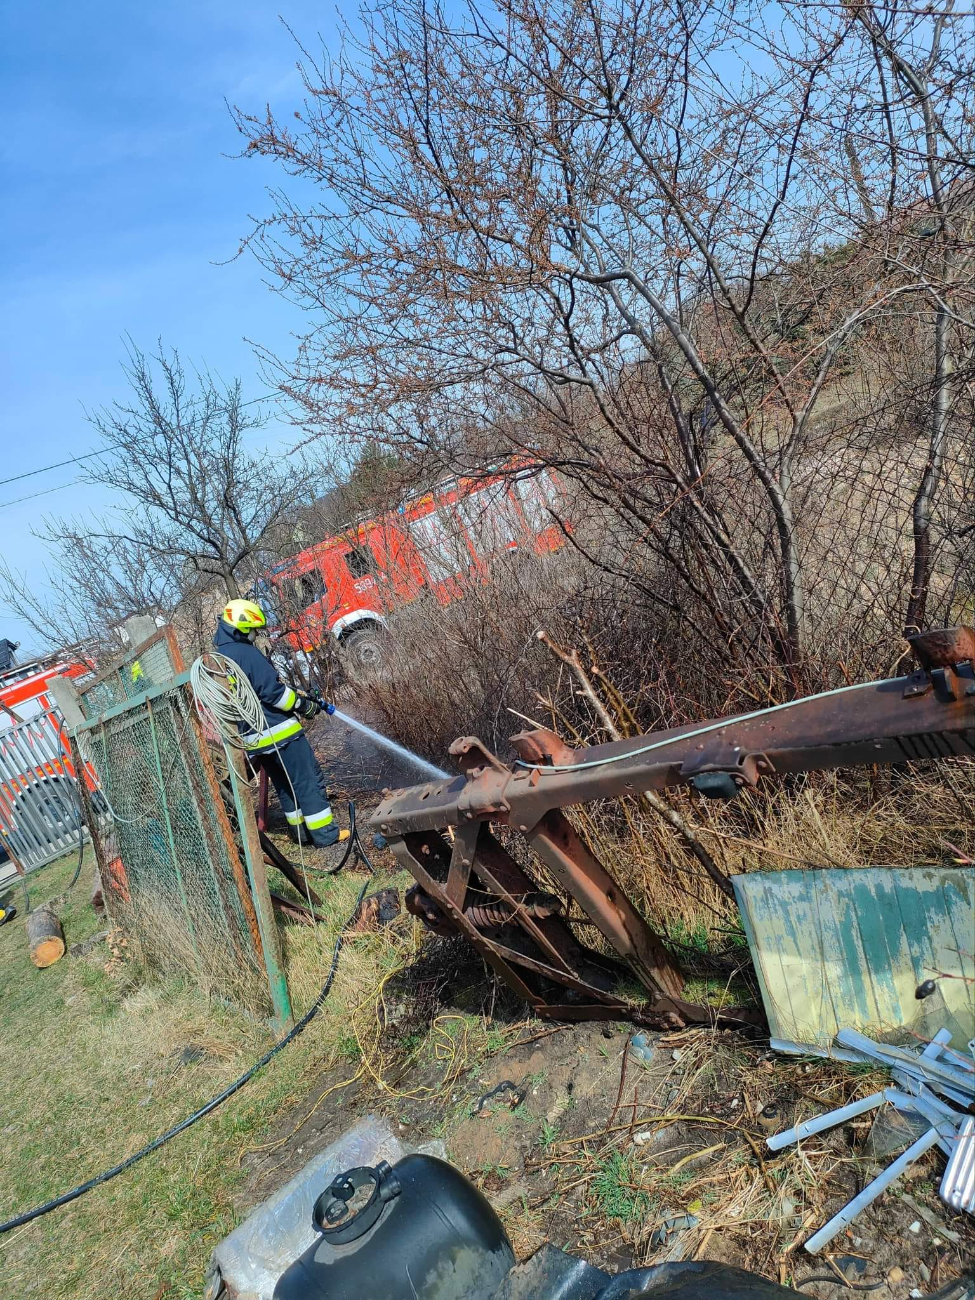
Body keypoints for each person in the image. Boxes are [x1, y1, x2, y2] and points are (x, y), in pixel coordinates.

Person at [213, 599, 348, 849]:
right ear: (243, 627)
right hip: (280, 732)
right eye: (254, 630)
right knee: (307, 780)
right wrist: (303, 705)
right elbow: (273, 693)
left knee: (285, 786)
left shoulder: (219, 658)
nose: (255, 635)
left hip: (255, 739)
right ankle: (325, 835)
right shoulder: (245, 653)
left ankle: (301, 834)